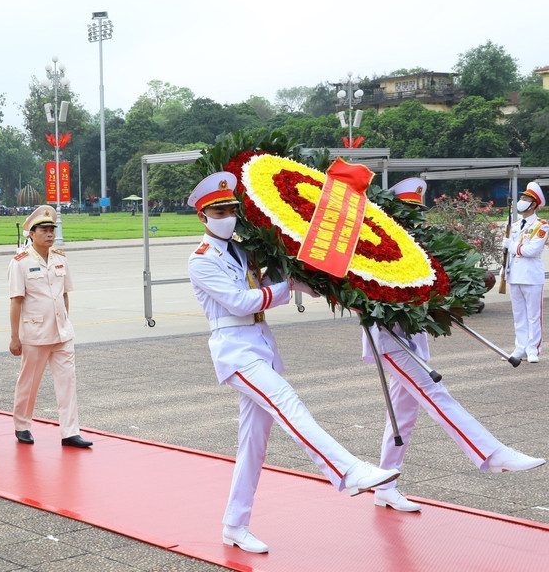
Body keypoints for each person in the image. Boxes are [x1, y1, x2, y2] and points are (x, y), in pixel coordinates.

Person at [186, 171, 400, 554]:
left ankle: (235, 525)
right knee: (289, 404)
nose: (227, 216)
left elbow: (276, 279)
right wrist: (287, 288)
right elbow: (241, 302)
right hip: (237, 352)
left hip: (262, 345)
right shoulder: (202, 260)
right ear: (203, 217)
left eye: (231, 209)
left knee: (253, 444)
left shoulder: (245, 248)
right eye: (219, 211)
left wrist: (322, 283)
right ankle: (348, 470)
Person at [363, 179, 545, 513]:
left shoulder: (414, 245)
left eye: (417, 212)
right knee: (435, 394)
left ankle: (385, 486)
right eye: (407, 212)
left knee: (403, 416)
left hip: (413, 338)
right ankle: (491, 454)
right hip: (390, 340)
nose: (413, 219)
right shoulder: (375, 245)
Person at [8, 205, 92, 449]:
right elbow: (16, 301)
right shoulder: (20, 263)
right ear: (31, 233)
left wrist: (65, 320)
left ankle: (70, 431)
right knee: (29, 381)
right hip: (35, 333)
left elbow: (64, 295)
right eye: (44, 230)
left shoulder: (60, 259)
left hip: (61, 332)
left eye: (51, 230)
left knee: (67, 382)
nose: (49, 234)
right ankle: (22, 424)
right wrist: (15, 337)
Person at [503, 181, 547, 363]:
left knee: (533, 316)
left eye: (525, 198)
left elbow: (532, 250)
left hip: (531, 276)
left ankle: (533, 349)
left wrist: (511, 245)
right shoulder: (513, 225)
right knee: (519, 315)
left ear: (534, 204)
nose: (521, 201)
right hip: (515, 275)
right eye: (521, 197)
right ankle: (520, 347)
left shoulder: (541, 225)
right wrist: (504, 271)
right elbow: (509, 251)